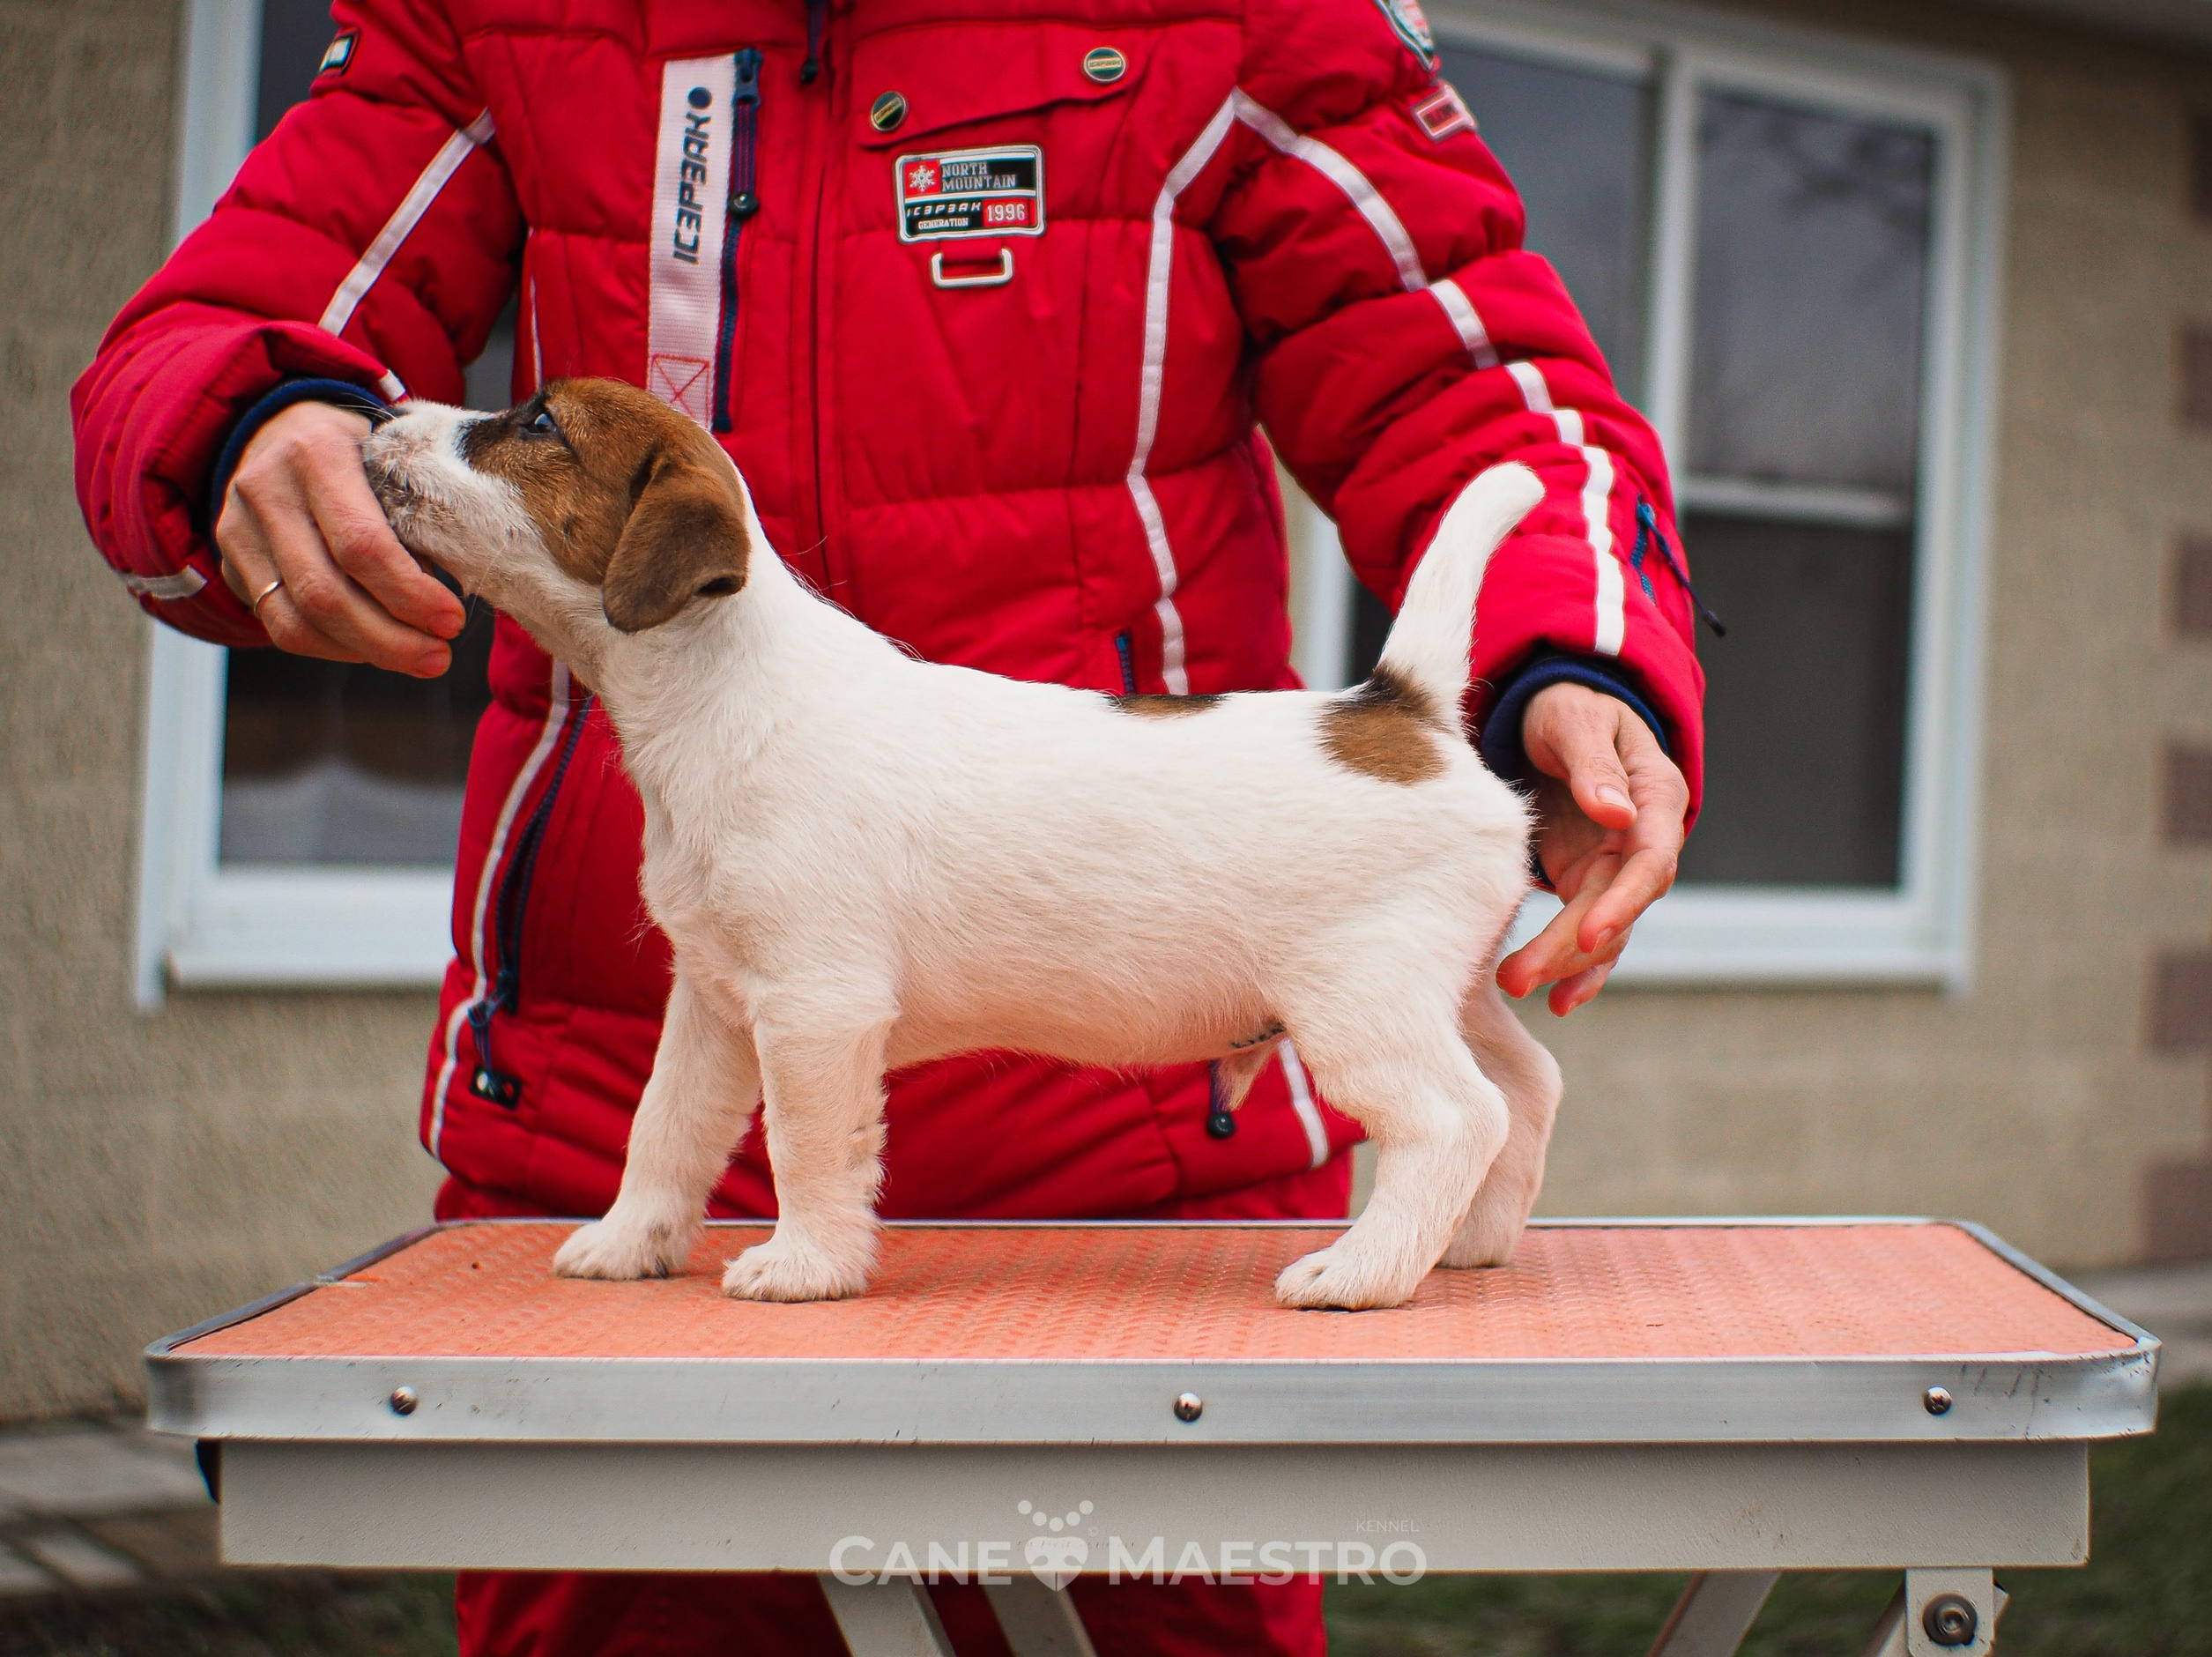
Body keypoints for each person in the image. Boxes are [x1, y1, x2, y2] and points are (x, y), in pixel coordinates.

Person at [74, 0, 1704, 1650]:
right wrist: (242, 413)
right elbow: (234, 307)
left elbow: (1471, 369)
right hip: (575, 1118)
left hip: (1143, 1172)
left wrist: (1583, 653)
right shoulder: (497, 16)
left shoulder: (1252, 15)